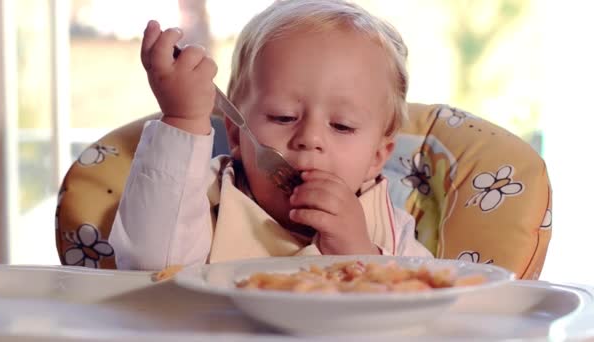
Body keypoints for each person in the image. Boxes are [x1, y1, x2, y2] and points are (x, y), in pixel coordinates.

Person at [109, 0, 432, 270]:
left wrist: (357, 253)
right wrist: (183, 119)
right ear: (235, 134)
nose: (309, 138)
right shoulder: (204, 197)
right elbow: (148, 265)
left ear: (377, 157)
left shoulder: (388, 229)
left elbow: (427, 302)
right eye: (283, 117)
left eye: (342, 126)